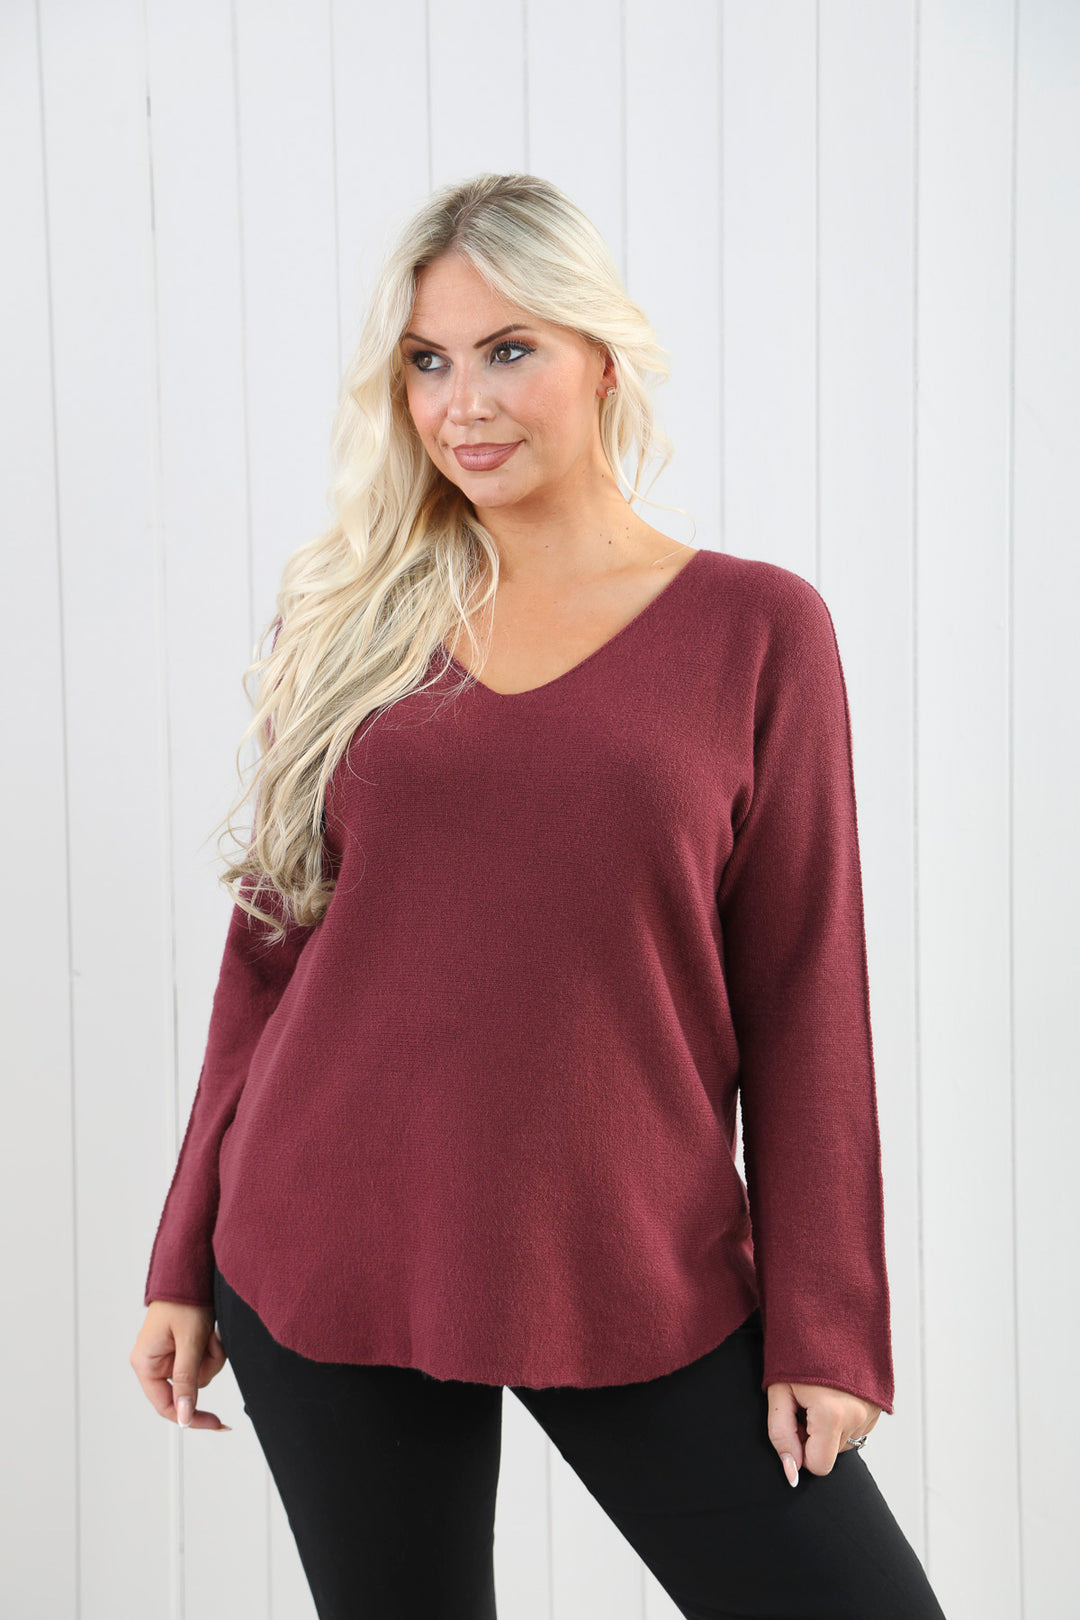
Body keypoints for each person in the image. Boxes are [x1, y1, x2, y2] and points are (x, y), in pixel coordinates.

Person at [130, 172, 947, 1619]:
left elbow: (805, 986)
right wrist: (180, 1253)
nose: (464, 405)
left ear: (601, 358)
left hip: (627, 1254)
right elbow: (269, 952)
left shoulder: (757, 628)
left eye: (509, 350)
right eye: (427, 362)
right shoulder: (349, 619)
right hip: (326, 1238)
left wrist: (826, 1323)